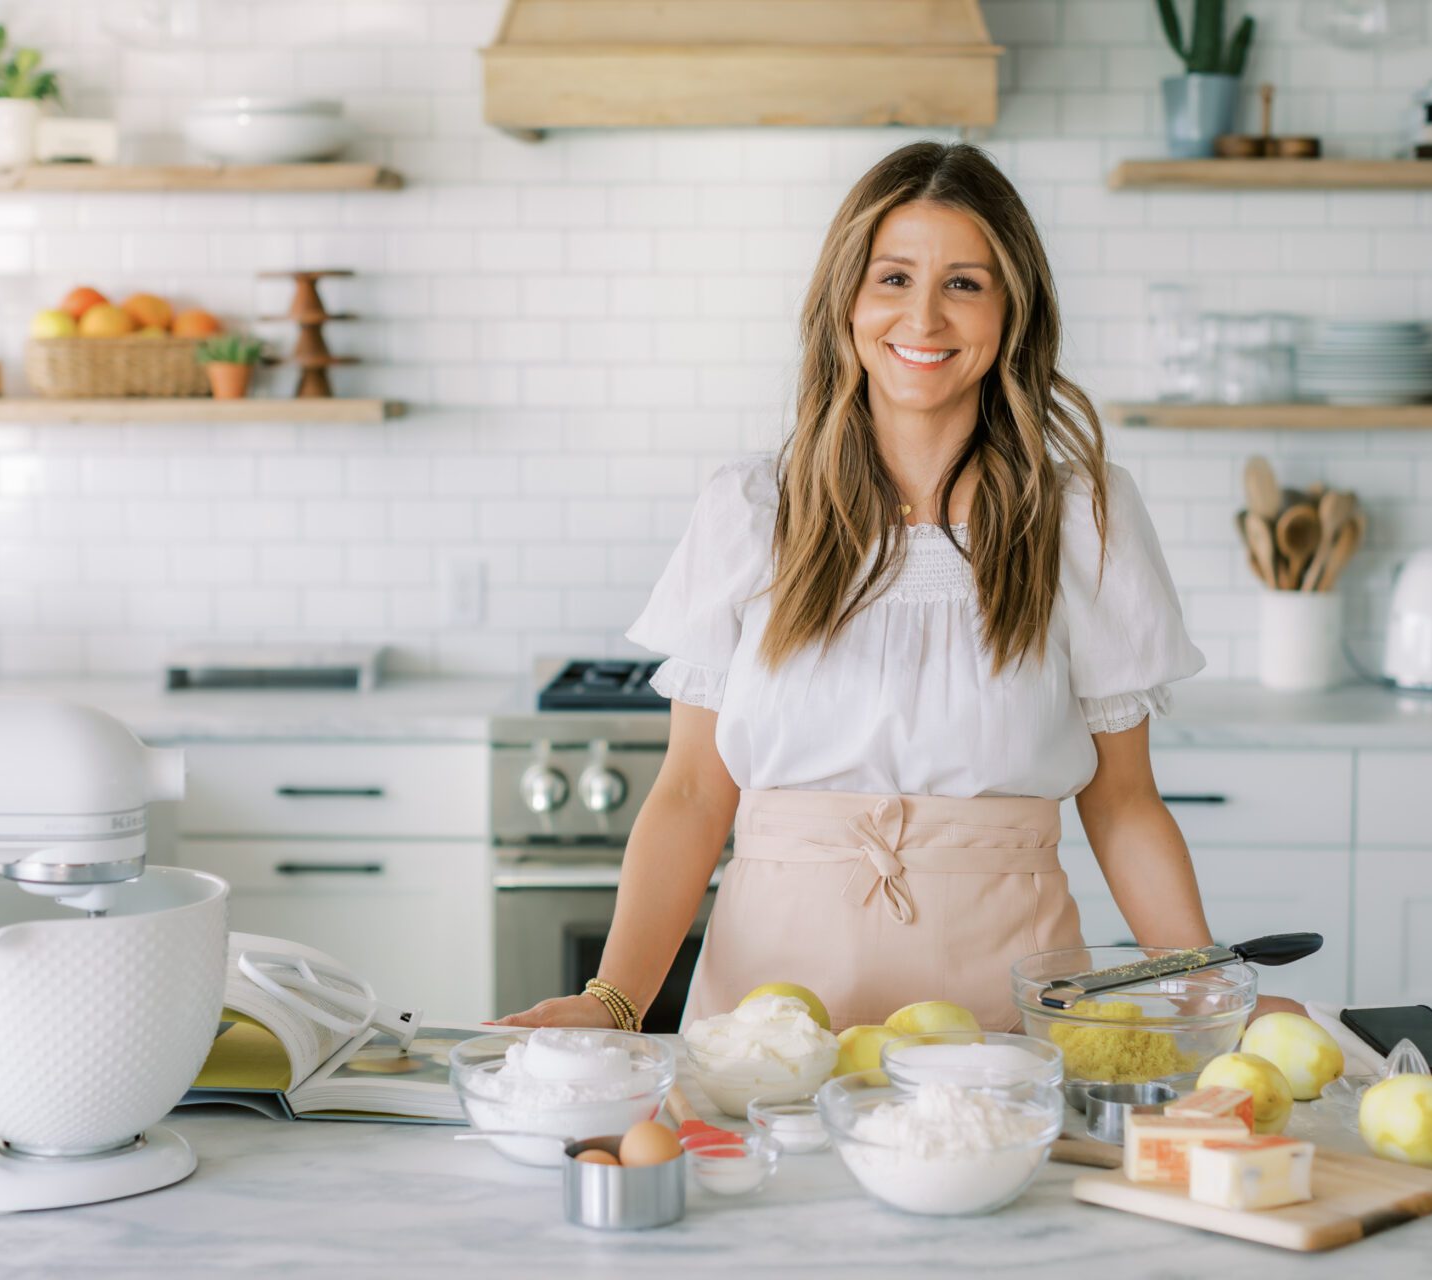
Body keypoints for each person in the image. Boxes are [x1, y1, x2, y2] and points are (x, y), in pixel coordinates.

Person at [498, 141, 1301, 1034]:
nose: (924, 316)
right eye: (893, 278)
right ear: (846, 300)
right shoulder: (753, 509)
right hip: (765, 1022)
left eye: (965, 282)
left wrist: (1204, 990)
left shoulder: (1083, 518)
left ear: (1011, 313)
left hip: (1002, 1018)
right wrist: (613, 1002)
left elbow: (1122, 803)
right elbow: (692, 792)